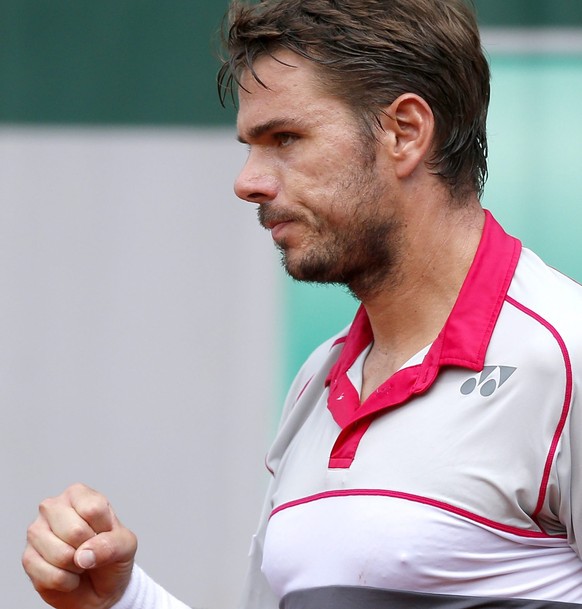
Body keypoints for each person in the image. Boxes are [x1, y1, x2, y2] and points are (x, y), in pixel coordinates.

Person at [22, 0, 582, 608]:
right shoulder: (317, 384)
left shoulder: (566, 354)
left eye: (285, 137)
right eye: (250, 144)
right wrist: (124, 599)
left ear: (405, 132)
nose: (247, 180)